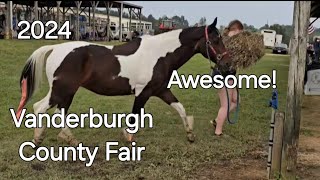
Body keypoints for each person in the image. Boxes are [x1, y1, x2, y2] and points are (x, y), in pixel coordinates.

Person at [211, 19, 244, 136]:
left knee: (236, 101)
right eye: (241, 32)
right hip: (223, 76)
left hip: (228, 76)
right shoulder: (227, 42)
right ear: (236, 30)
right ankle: (218, 131)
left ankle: (217, 120)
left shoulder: (231, 41)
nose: (242, 36)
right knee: (226, 105)